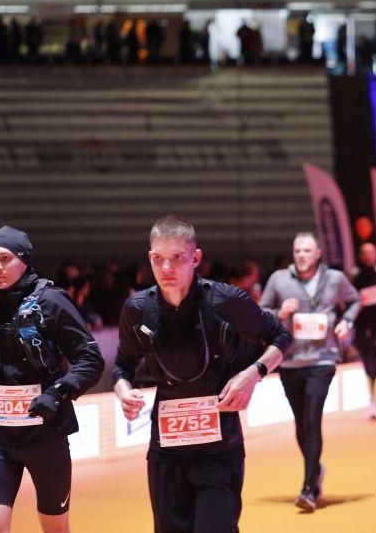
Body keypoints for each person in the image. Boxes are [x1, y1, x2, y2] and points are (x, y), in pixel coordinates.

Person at [112, 215, 292, 533]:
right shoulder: (137, 309)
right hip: (166, 453)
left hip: (219, 450)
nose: (166, 268)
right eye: (158, 259)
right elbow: (122, 366)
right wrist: (123, 390)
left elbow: (281, 337)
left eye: (177, 258)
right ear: (149, 258)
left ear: (195, 258)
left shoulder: (226, 300)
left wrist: (254, 373)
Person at [0, 226, 104, 533]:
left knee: (55, 530)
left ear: (25, 260)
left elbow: (91, 359)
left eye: (5, 259)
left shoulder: (52, 302)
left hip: (47, 437)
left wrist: (57, 392)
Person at [260, 232, 360, 512]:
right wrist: (280, 313)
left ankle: (308, 488)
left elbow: (355, 300)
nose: (301, 255)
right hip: (290, 361)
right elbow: (261, 312)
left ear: (317, 253)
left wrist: (346, 321)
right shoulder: (279, 279)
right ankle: (316, 469)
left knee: (313, 419)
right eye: (297, 251)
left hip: (322, 360)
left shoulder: (335, 279)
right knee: (301, 422)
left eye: (307, 250)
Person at [348, 242, 376, 420]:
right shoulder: (354, 274)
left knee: (375, 353)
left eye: (371, 252)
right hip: (360, 323)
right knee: (365, 356)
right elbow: (347, 296)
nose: (368, 256)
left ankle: (374, 397)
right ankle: (369, 391)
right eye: (365, 253)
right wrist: (355, 302)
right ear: (360, 256)